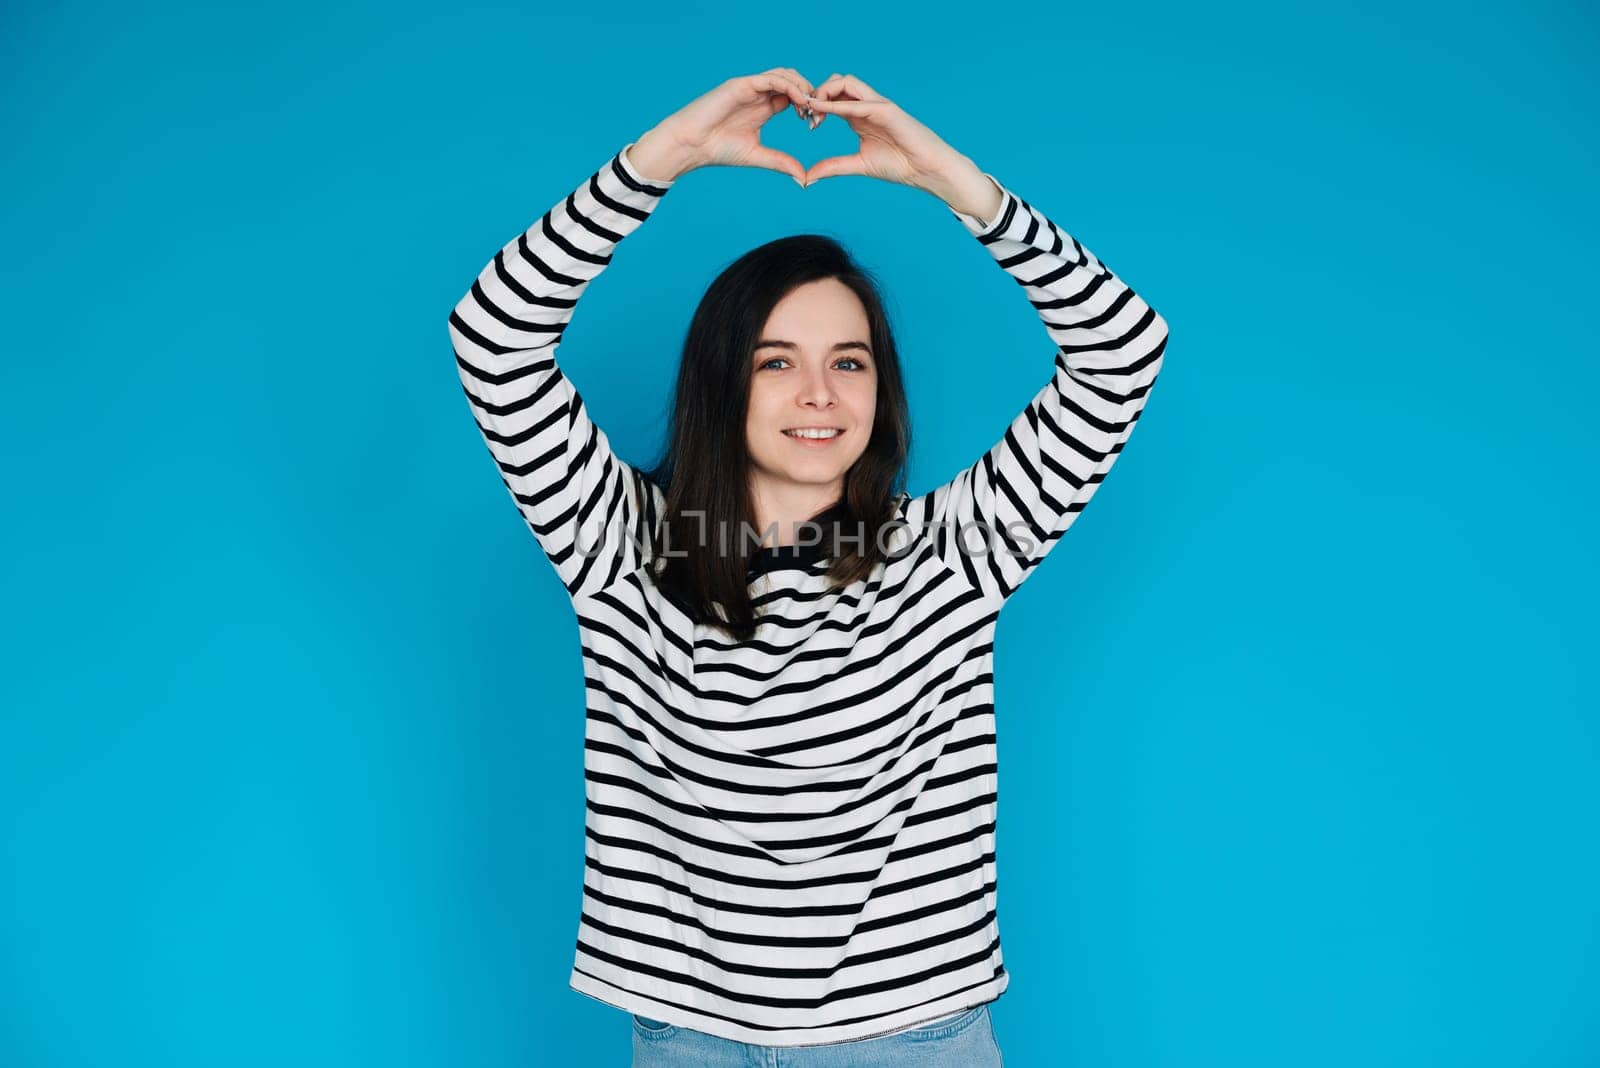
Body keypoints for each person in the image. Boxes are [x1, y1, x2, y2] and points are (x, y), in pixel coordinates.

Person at [447, 68, 1170, 1066]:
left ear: (882, 386)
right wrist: (662, 160)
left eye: (850, 360)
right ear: (722, 379)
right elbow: (491, 336)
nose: (819, 393)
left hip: (914, 1038)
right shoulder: (622, 544)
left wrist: (962, 189)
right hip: (689, 1041)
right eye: (776, 360)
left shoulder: (954, 550)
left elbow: (1121, 350)